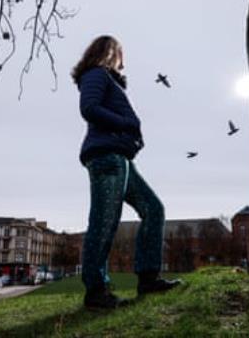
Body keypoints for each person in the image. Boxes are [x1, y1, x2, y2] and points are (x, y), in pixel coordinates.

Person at [72, 35, 181, 310]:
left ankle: (148, 278)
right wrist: (127, 124)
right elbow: (89, 108)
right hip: (106, 157)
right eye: (117, 52)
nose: (121, 59)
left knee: (153, 209)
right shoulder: (95, 74)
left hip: (120, 159)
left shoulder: (110, 81)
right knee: (105, 220)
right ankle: (96, 292)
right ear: (106, 52)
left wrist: (131, 135)